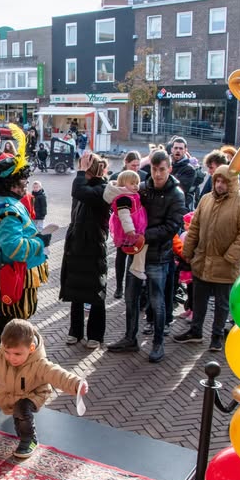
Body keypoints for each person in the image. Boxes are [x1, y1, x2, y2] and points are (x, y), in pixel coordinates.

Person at [0, 319, 88, 458]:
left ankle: (29, 440)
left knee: (21, 409)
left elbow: (58, 375)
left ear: (31, 348)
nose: (11, 358)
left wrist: (76, 384)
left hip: (34, 393)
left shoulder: (39, 364)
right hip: (11, 394)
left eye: (17, 354)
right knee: (18, 417)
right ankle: (22, 432)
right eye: (7, 352)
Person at [107, 150, 185, 363]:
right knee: (131, 298)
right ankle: (130, 338)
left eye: (162, 169)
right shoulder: (141, 188)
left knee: (157, 302)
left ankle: (158, 344)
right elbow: (121, 201)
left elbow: (172, 226)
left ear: (169, 169)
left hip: (158, 256)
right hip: (136, 254)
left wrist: (144, 236)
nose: (158, 174)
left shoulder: (176, 194)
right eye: (154, 169)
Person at [0, 136, 49, 347]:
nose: (26, 188)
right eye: (23, 183)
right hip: (18, 274)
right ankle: (5, 356)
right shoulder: (9, 210)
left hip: (14, 273)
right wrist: (40, 241)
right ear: (12, 184)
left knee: (8, 317)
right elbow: (13, 248)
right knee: (15, 319)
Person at [175, 166, 240, 351]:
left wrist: (231, 256)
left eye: (223, 182)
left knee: (222, 303)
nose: (219, 185)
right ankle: (196, 331)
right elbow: (194, 227)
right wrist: (188, 251)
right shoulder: (206, 199)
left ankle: (216, 337)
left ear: (232, 183)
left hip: (226, 263)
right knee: (198, 299)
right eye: (217, 181)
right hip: (202, 260)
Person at [60, 153, 111, 350]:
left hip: (93, 248)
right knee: (76, 291)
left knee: (95, 292)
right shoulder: (83, 187)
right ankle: (75, 331)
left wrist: (80, 171)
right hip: (77, 245)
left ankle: (96, 334)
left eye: (84, 168)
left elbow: (80, 192)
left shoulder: (103, 189)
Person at [105, 170, 149, 280]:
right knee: (136, 248)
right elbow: (124, 215)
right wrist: (130, 229)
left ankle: (135, 269)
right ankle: (136, 269)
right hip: (129, 228)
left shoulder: (131, 194)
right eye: (132, 183)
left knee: (139, 248)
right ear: (123, 184)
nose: (136, 186)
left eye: (137, 183)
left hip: (136, 224)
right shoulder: (123, 198)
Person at [168, 137, 197, 211]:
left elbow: (180, 188)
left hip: (179, 207)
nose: (178, 150)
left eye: (181, 148)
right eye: (176, 148)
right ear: (172, 149)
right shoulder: (165, 164)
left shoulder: (190, 170)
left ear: (185, 151)